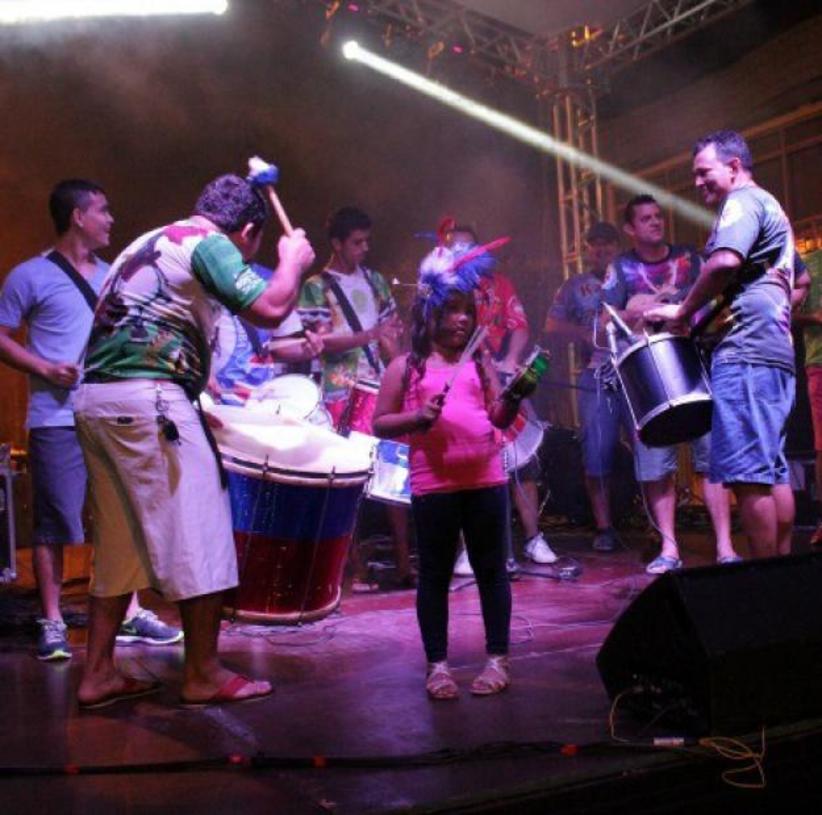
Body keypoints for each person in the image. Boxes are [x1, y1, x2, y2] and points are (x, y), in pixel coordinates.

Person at [73, 174, 315, 708]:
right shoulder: (209, 242)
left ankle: (98, 674)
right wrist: (293, 260)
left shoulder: (147, 241)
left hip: (96, 402)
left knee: (118, 545)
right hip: (149, 399)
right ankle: (203, 674)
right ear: (247, 232)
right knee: (203, 529)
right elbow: (271, 308)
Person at [0, 179, 181, 662]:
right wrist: (44, 368)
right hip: (56, 417)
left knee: (123, 515)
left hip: (112, 413)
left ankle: (131, 612)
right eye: (103, 210)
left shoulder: (113, 276)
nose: (111, 219)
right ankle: (52, 620)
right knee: (54, 522)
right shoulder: (29, 275)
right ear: (78, 216)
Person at [373, 241, 522, 699]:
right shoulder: (405, 367)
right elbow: (380, 422)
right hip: (433, 484)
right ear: (430, 313)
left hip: (485, 479)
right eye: (452, 311)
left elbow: (498, 417)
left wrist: (515, 395)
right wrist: (417, 417)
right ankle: (437, 666)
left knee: (491, 571)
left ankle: (497, 660)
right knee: (435, 577)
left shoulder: (479, 362)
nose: (462, 319)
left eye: (467, 312)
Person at [647, 130, 796, 560]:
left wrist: (681, 311)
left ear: (733, 167)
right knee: (772, 470)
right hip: (773, 350)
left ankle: (765, 580)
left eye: (703, 172)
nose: (697, 183)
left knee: (750, 476)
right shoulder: (771, 207)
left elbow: (725, 262)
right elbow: (796, 280)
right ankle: (786, 576)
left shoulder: (743, 201)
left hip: (746, 353)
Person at [604, 194, 736, 573]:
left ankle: (725, 546)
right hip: (648, 372)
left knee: (711, 459)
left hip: (693, 361)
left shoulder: (690, 258)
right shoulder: (621, 267)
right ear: (630, 228)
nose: (655, 222)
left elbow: (715, 298)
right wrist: (644, 308)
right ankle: (669, 548)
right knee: (657, 464)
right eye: (645, 218)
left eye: (658, 216)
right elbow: (606, 319)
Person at [299, 206, 412, 586]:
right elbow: (320, 341)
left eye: (367, 241)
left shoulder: (376, 281)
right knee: (348, 483)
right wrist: (370, 336)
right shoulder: (316, 286)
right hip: (340, 391)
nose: (365, 248)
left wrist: (398, 360)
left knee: (394, 475)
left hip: (380, 388)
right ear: (337, 243)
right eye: (357, 242)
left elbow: (392, 331)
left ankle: (404, 563)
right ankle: (351, 567)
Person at [445, 224, 557, 570]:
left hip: (500, 379)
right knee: (466, 465)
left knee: (523, 460)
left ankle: (533, 538)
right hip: (462, 384)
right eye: (456, 248)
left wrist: (510, 359)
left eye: (469, 247)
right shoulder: (442, 290)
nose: (463, 254)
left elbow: (518, 324)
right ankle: (468, 548)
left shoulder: (499, 284)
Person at [544, 221, 630, 552]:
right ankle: (604, 527)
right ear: (587, 250)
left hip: (634, 370)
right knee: (596, 452)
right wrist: (581, 333)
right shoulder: (574, 286)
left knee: (647, 447)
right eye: (596, 243)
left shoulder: (631, 275)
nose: (602, 248)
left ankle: (657, 525)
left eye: (608, 242)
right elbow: (551, 325)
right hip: (595, 373)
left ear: (617, 247)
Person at [209, 263, 323, 407]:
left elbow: (273, 347)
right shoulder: (210, 271)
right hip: (215, 395)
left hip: (257, 397)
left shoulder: (273, 280)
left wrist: (305, 350)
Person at [794, 249, 822, 547]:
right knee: (821, 447)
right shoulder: (810, 264)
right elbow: (784, 311)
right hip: (819, 362)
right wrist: (813, 317)